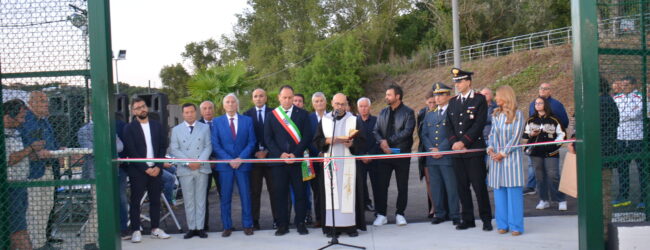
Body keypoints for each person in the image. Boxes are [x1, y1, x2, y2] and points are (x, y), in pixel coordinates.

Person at [313, 93, 367, 237]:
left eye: (342, 104)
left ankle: (350, 226)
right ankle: (332, 227)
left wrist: (352, 143)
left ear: (346, 104)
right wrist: (327, 141)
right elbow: (316, 140)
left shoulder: (354, 120)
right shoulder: (325, 120)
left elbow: (363, 140)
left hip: (348, 164)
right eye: (337, 104)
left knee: (349, 193)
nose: (340, 107)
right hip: (330, 164)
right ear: (332, 103)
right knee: (332, 195)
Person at [446, 68, 493, 231]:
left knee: (479, 186)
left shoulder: (479, 99)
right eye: (455, 82)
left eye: (459, 81)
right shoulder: (452, 102)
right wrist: (454, 143)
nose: (457, 85)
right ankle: (467, 219)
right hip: (458, 152)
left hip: (473, 150)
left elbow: (479, 124)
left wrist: (464, 142)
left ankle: (486, 219)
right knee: (462, 187)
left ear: (468, 82)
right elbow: (449, 126)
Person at [264, 85, 313, 236]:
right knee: (280, 194)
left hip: (297, 161)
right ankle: (282, 225)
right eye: (284, 97)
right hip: (279, 162)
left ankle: (300, 223)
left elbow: (307, 137)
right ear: (279, 98)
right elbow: (268, 138)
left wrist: (295, 154)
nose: (287, 100)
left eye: (290, 97)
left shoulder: (303, 114)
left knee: (300, 194)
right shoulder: (272, 115)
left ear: (293, 98)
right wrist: (281, 154)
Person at [121, 97, 171, 242]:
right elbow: (131, 150)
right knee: (136, 201)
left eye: (143, 106)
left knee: (155, 200)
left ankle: (155, 228)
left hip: (156, 169)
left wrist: (158, 166)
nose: (141, 109)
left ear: (147, 107)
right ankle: (136, 230)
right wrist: (145, 168)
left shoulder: (157, 125)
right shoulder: (128, 128)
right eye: (137, 108)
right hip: (138, 171)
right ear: (133, 111)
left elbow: (163, 146)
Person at [77, 114, 124, 249]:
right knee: (98, 207)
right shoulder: (83, 131)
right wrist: (109, 147)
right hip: (95, 175)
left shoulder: (109, 128)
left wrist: (104, 148)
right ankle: (89, 241)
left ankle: (103, 237)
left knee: (108, 206)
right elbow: (92, 150)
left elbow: (120, 146)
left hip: (111, 173)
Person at [212, 94, 257, 237]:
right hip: (225, 166)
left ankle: (248, 225)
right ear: (223, 105)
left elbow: (252, 142)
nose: (230, 104)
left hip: (242, 165)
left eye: (233, 102)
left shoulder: (247, 121)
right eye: (227, 102)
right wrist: (229, 160)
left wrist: (240, 158)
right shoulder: (217, 122)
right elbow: (215, 144)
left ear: (237, 105)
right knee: (225, 197)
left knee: (245, 196)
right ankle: (227, 226)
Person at [19, 91, 59, 248]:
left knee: (47, 207)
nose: (46, 104)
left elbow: (52, 142)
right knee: (35, 210)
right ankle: (35, 244)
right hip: (33, 171)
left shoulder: (45, 121)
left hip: (48, 168)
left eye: (46, 100)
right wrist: (35, 153)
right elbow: (23, 146)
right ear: (32, 103)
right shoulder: (26, 121)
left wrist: (58, 149)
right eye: (42, 101)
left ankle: (41, 242)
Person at [372, 84, 415, 226]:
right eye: (386, 94)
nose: (386, 97)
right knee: (381, 186)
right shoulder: (383, 112)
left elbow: (407, 132)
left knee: (402, 186)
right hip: (384, 155)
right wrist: (382, 143)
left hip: (401, 154)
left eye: (389, 95)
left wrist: (388, 142)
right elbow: (376, 130)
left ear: (398, 96)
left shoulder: (408, 112)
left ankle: (400, 214)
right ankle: (381, 214)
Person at [487, 85, 525, 236]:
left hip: (511, 160)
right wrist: (490, 148)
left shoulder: (518, 114)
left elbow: (516, 138)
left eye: (498, 95)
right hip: (496, 161)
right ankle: (502, 224)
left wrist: (503, 153)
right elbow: (492, 134)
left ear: (506, 96)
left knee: (513, 194)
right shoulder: (496, 114)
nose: (496, 98)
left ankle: (516, 226)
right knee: (499, 194)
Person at [169, 103, 212, 239]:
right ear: (183, 114)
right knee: (188, 199)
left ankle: (200, 228)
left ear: (196, 113)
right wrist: (188, 162)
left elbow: (208, 146)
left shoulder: (205, 128)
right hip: (185, 168)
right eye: (186, 112)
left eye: (192, 112)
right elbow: (174, 149)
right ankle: (191, 228)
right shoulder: (176, 130)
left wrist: (199, 161)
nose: (189, 114)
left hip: (201, 167)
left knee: (200, 198)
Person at [421, 83, 460, 226]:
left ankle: (455, 214)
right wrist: (432, 149)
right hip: (433, 157)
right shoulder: (430, 114)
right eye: (435, 95)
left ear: (447, 96)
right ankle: (440, 213)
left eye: (440, 95)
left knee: (451, 186)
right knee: (436, 187)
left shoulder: (453, 112)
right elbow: (424, 134)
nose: (437, 98)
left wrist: (441, 149)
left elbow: (454, 132)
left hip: (446, 156)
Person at [524, 83, 569, 195]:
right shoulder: (532, 104)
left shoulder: (557, 105)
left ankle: (555, 191)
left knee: (552, 168)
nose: (542, 90)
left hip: (550, 141)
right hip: (535, 141)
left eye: (545, 89)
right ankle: (532, 186)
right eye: (541, 88)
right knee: (533, 165)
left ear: (550, 91)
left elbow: (565, 121)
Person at [243, 88, 278, 230]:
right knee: (255, 192)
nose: (258, 98)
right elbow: (245, 138)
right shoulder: (246, 115)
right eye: (255, 96)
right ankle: (255, 221)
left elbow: (277, 136)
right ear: (252, 99)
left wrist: (268, 151)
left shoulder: (275, 113)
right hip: (254, 159)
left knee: (274, 191)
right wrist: (256, 153)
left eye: (261, 96)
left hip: (271, 158)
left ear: (266, 98)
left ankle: (277, 219)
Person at [4, 99, 35, 250]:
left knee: (16, 227)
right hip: (9, 187)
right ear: (9, 116)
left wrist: (32, 154)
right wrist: (30, 149)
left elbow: (20, 155)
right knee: (18, 228)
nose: (23, 121)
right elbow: (9, 159)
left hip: (21, 184)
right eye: (21, 117)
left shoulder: (16, 132)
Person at [613, 76, 647, 208]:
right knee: (622, 168)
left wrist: (622, 116)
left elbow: (636, 113)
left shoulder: (641, 98)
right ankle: (623, 196)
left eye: (626, 85)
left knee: (642, 169)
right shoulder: (617, 98)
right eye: (622, 85)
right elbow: (614, 114)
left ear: (633, 85)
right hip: (621, 137)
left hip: (637, 138)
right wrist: (623, 116)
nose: (623, 87)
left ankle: (644, 198)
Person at [198, 100, 220, 231]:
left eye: (210, 108)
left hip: (220, 163)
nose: (208, 111)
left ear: (214, 109)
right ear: (201, 111)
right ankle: (203, 225)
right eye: (205, 108)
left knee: (224, 195)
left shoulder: (221, 123)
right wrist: (207, 159)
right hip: (204, 165)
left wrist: (217, 159)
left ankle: (227, 225)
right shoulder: (197, 125)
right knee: (203, 196)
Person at [307, 92, 328, 228]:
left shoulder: (333, 117)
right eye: (316, 101)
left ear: (325, 102)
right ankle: (319, 218)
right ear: (313, 104)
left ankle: (331, 218)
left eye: (321, 101)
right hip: (314, 159)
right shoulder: (308, 119)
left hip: (330, 158)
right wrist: (318, 152)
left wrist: (325, 152)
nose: (319, 103)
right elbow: (307, 139)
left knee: (330, 190)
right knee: (317, 191)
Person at [356, 97, 379, 213]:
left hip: (373, 158)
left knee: (377, 184)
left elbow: (379, 139)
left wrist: (371, 154)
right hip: (360, 158)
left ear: (369, 107)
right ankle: (365, 204)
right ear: (358, 108)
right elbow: (353, 141)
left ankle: (379, 209)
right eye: (361, 106)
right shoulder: (354, 121)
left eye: (365, 106)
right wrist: (361, 155)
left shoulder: (376, 120)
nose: (363, 108)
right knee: (361, 184)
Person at [417, 90, 437, 218]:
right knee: (429, 180)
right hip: (425, 149)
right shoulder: (422, 113)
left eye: (434, 102)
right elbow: (420, 133)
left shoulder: (441, 111)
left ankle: (441, 206)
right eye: (430, 102)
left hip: (439, 148)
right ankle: (433, 206)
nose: (432, 105)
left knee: (439, 180)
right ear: (426, 102)